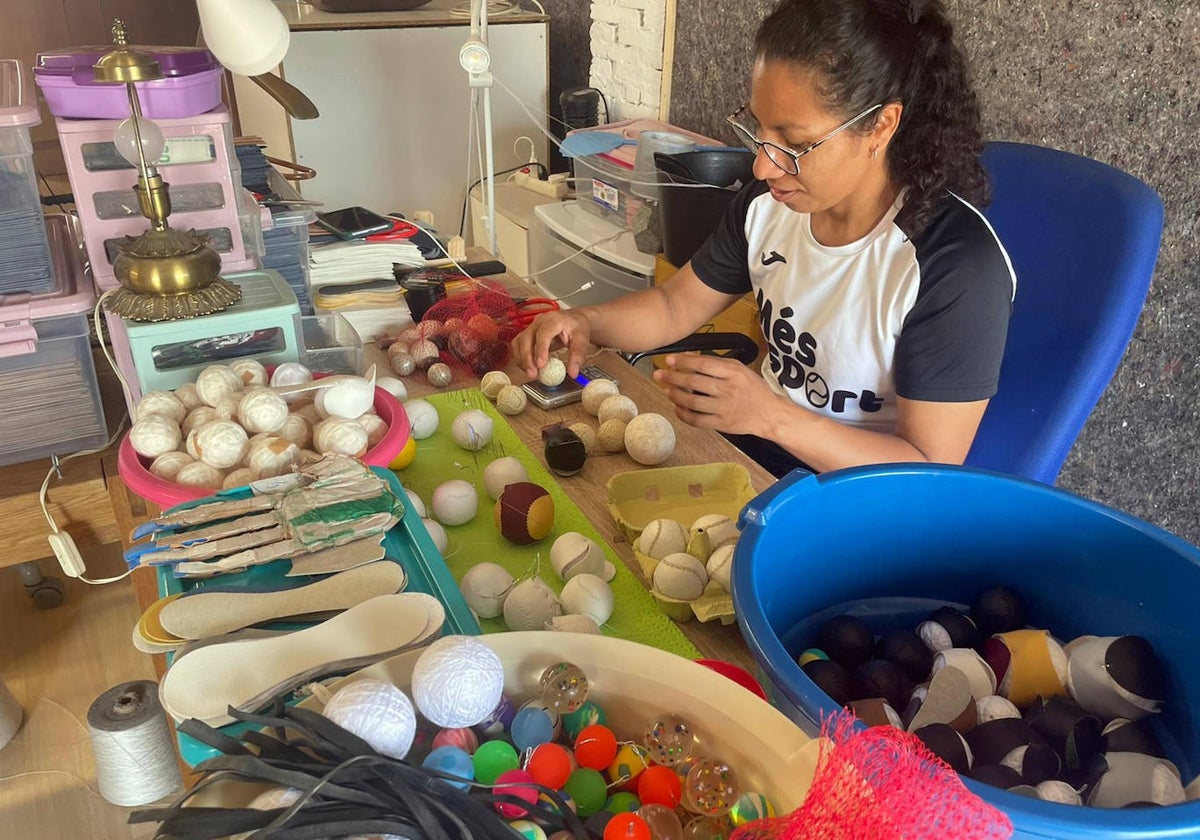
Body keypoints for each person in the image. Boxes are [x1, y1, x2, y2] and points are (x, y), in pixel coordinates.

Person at [512, 0, 1015, 478]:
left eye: (795, 143)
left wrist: (770, 415)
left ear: (881, 126)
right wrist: (585, 321)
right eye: (759, 130)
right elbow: (673, 306)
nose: (762, 165)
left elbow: (926, 470)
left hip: (863, 503)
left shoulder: (953, 266)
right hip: (756, 453)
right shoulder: (768, 205)